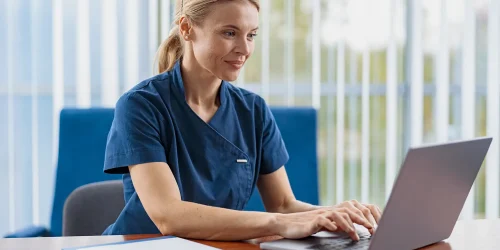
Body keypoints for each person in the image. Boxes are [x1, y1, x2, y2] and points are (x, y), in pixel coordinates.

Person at [102, 0, 382, 242]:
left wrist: (333, 215)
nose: (244, 49)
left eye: (251, 35)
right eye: (229, 33)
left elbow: (283, 205)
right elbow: (168, 215)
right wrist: (276, 224)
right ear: (187, 28)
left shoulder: (253, 111)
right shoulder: (141, 105)